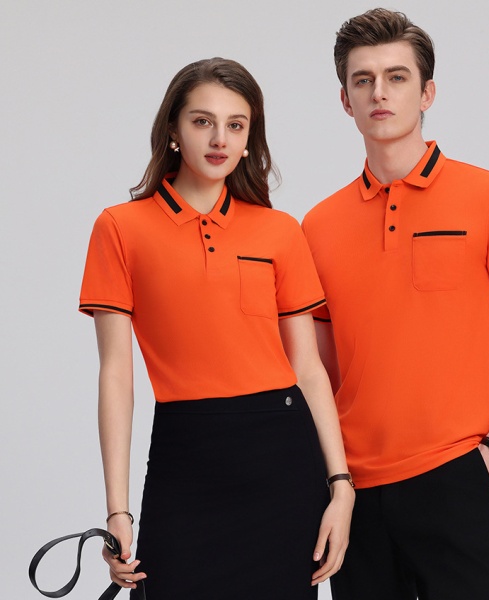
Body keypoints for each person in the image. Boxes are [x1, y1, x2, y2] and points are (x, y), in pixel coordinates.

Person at [302, 9, 489, 600]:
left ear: (427, 93)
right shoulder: (317, 226)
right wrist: (332, 477)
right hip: (355, 492)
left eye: (396, 77)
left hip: (456, 477)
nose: (379, 92)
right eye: (363, 80)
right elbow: (317, 370)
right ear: (345, 100)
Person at [79, 57, 354, 599]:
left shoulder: (280, 231)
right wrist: (118, 509)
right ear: (173, 130)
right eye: (202, 121)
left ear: (250, 139)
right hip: (186, 455)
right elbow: (116, 374)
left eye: (236, 124)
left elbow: (307, 367)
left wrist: (340, 486)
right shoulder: (120, 228)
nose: (219, 139)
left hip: (282, 458)